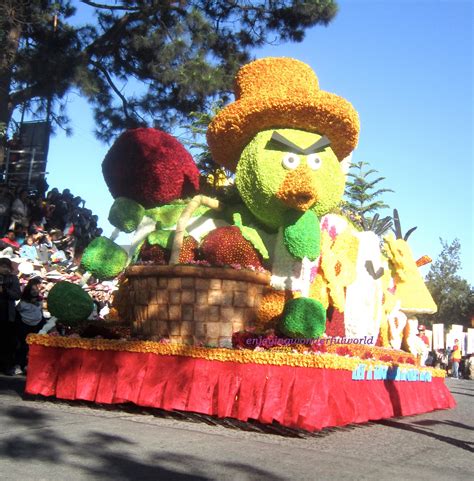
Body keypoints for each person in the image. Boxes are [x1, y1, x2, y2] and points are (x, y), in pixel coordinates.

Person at [15, 277, 45, 372]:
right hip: (25, 325)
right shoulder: (23, 303)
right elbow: (18, 311)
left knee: (35, 346)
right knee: (24, 346)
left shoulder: (40, 301)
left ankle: (31, 365)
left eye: (36, 289)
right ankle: (19, 365)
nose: (35, 291)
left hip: (37, 325)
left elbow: (40, 311)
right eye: (33, 289)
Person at [0, 258, 22, 375]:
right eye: (2, 266)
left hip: (8, 316)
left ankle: (7, 366)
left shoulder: (13, 279)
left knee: (7, 342)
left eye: (6, 266)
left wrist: (5, 290)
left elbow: (17, 295)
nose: (4, 269)